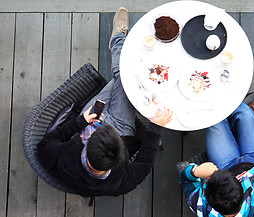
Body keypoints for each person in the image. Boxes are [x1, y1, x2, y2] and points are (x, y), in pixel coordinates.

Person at [37, 8, 173, 197]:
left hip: (88, 117)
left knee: (126, 77)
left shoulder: (66, 155)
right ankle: (119, 42)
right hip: (121, 125)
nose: (103, 125)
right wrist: (155, 130)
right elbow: (144, 165)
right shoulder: (120, 182)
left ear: (85, 144)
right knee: (126, 78)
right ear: (119, 158)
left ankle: (119, 42)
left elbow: (44, 144)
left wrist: (80, 123)